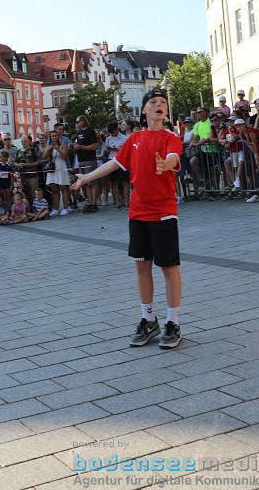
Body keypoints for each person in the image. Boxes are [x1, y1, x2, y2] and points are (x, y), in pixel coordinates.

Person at [72, 89, 184, 349]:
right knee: (141, 265)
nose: (159, 105)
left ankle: (173, 322)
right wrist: (87, 178)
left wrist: (165, 165)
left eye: (163, 103)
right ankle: (148, 319)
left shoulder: (170, 137)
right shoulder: (134, 139)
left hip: (163, 211)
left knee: (168, 267)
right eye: (154, 102)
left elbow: (173, 157)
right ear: (144, 110)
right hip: (138, 211)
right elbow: (114, 164)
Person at [73, 115, 101, 212]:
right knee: (86, 182)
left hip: (89, 159)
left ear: (83, 121)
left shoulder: (90, 131)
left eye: (77, 122)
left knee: (92, 182)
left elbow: (95, 146)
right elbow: (79, 144)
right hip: (81, 160)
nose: (76, 124)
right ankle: (89, 202)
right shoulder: (79, 132)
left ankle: (94, 203)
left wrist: (81, 147)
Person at [42, 130, 70, 216]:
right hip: (52, 169)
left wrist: (58, 148)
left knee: (63, 188)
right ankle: (56, 208)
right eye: (52, 136)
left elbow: (65, 156)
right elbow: (43, 157)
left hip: (61, 167)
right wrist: (49, 149)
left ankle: (65, 208)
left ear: (58, 137)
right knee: (54, 189)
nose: (54, 137)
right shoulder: (49, 146)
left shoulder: (63, 145)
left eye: (55, 136)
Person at [102, 121, 129, 209]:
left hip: (122, 161)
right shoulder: (108, 139)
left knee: (125, 181)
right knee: (114, 182)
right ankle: (117, 202)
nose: (112, 134)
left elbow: (127, 151)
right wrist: (107, 150)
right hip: (112, 160)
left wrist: (117, 149)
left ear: (116, 130)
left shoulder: (124, 138)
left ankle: (126, 202)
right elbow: (105, 149)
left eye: (113, 132)